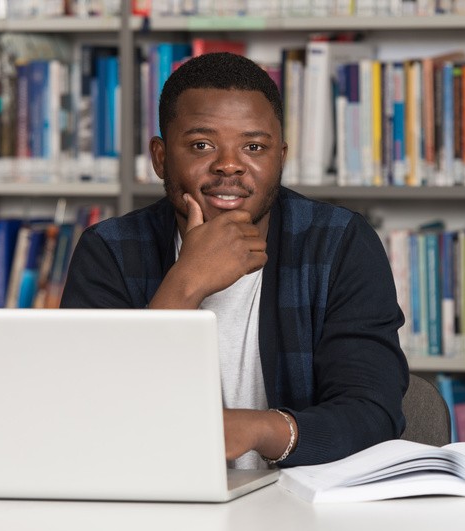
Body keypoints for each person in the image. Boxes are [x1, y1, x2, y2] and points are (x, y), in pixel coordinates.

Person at [61, 52, 409, 469]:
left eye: (254, 146)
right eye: (201, 145)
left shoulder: (339, 244)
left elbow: (373, 414)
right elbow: (91, 416)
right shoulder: (110, 250)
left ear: (279, 157)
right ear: (160, 157)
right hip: (151, 505)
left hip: (298, 515)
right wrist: (185, 283)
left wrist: (258, 429)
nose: (229, 165)